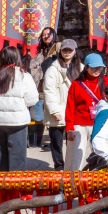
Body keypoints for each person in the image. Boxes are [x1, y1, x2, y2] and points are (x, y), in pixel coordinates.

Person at [0, 46, 39, 172]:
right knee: (17, 159)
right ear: (17, 57)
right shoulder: (24, 76)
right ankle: (16, 189)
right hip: (18, 122)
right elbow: (32, 99)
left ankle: (0, 188)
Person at [64, 52, 108, 171]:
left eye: (100, 67)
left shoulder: (107, 82)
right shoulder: (76, 84)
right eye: (94, 67)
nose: (97, 70)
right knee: (76, 157)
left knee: (102, 156)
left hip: (100, 124)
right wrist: (69, 128)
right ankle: (71, 182)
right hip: (80, 124)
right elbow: (70, 107)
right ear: (86, 67)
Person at [42, 40, 76, 170]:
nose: (67, 53)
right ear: (60, 51)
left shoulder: (80, 67)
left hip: (73, 110)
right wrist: (55, 110)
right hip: (58, 109)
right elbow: (48, 91)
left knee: (72, 141)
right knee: (56, 140)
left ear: (75, 51)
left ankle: (70, 164)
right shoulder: (53, 69)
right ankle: (59, 165)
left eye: (70, 50)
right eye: (65, 50)